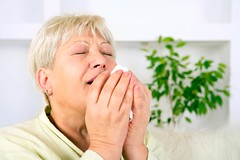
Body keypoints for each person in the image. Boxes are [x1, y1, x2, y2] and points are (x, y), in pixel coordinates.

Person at [0, 14, 168, 160]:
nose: (101, 61)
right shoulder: (10, 144)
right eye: (80, 52)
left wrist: (134, 148)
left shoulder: (140, 139)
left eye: (107, 53)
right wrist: (105, 145)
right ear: (45, 80)